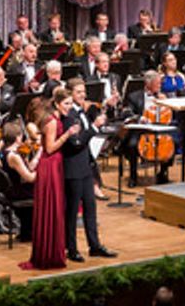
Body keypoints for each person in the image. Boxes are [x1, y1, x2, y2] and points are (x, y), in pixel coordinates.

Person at [20, 88, 80, 270]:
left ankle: (50, 251)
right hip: (50, 166)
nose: (69, 107)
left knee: (54, 208)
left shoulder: (54, 118)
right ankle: (49, 255)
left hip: (54, 164)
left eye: (71, 103)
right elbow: (50, 148)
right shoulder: (52, 121)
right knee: (52, 208)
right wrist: (68, 134)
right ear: (57, 104)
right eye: (66, 103)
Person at [63, 79, 116, 261]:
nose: (83, 95)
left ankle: (94, 245)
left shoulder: (81, 112)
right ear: (70, 94)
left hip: (85, 167)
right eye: (78, 92)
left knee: (90, 208)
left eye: (83, 91)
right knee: (72, 212)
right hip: (73, 169)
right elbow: (76, 143)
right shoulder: (69, 115)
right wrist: (94, 127)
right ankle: (71, 249)